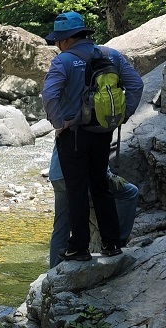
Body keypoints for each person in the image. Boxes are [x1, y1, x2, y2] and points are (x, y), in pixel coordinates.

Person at [41, 11, 143, 261]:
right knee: (100, 185)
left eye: (57, 40)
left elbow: (49, 95)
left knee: (76, 189)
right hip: (102, 132)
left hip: (73, 135)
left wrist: (59, 123)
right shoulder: (111, 55)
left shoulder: (63, 61)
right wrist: (122, 116)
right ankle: (111, 244)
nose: (56, 45)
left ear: (66, 39)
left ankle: (79, 247)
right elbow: (136, 85)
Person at [48, 147, 139, 268]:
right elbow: (93, 151)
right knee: (130, 193)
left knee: (60, 225)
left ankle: (53, 272)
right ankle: (117, 243)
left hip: (57, 174)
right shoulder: (89, 128)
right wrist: (108, 174)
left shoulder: (63, 128)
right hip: (81, 176)